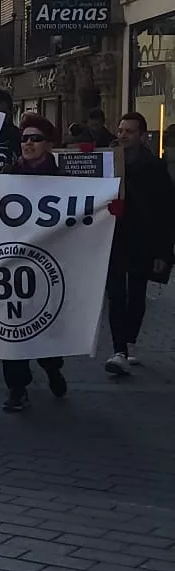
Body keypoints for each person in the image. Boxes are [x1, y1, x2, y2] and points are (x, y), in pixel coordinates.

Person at [0, 115, 70, 412]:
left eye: (35, 138)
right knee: (11, 327)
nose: (28, 143)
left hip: (49, 264)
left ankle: (52, 367)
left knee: (44, 325)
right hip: (13, 266)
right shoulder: (9, 174)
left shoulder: (65, 177)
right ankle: (17, 387)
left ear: (49, 144)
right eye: (25, 138)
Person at [105, 111, 175, 377]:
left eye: (129, 131)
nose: (122, 135)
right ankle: (119, 349)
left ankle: (128, 340)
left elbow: (166, 211)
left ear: (142, 136)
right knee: (115, 294)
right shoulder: (108, 161)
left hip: (141, 240)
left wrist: (163, 252)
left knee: (135, 292)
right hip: (112, 237)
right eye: (120, 130)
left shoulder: (153, 166)